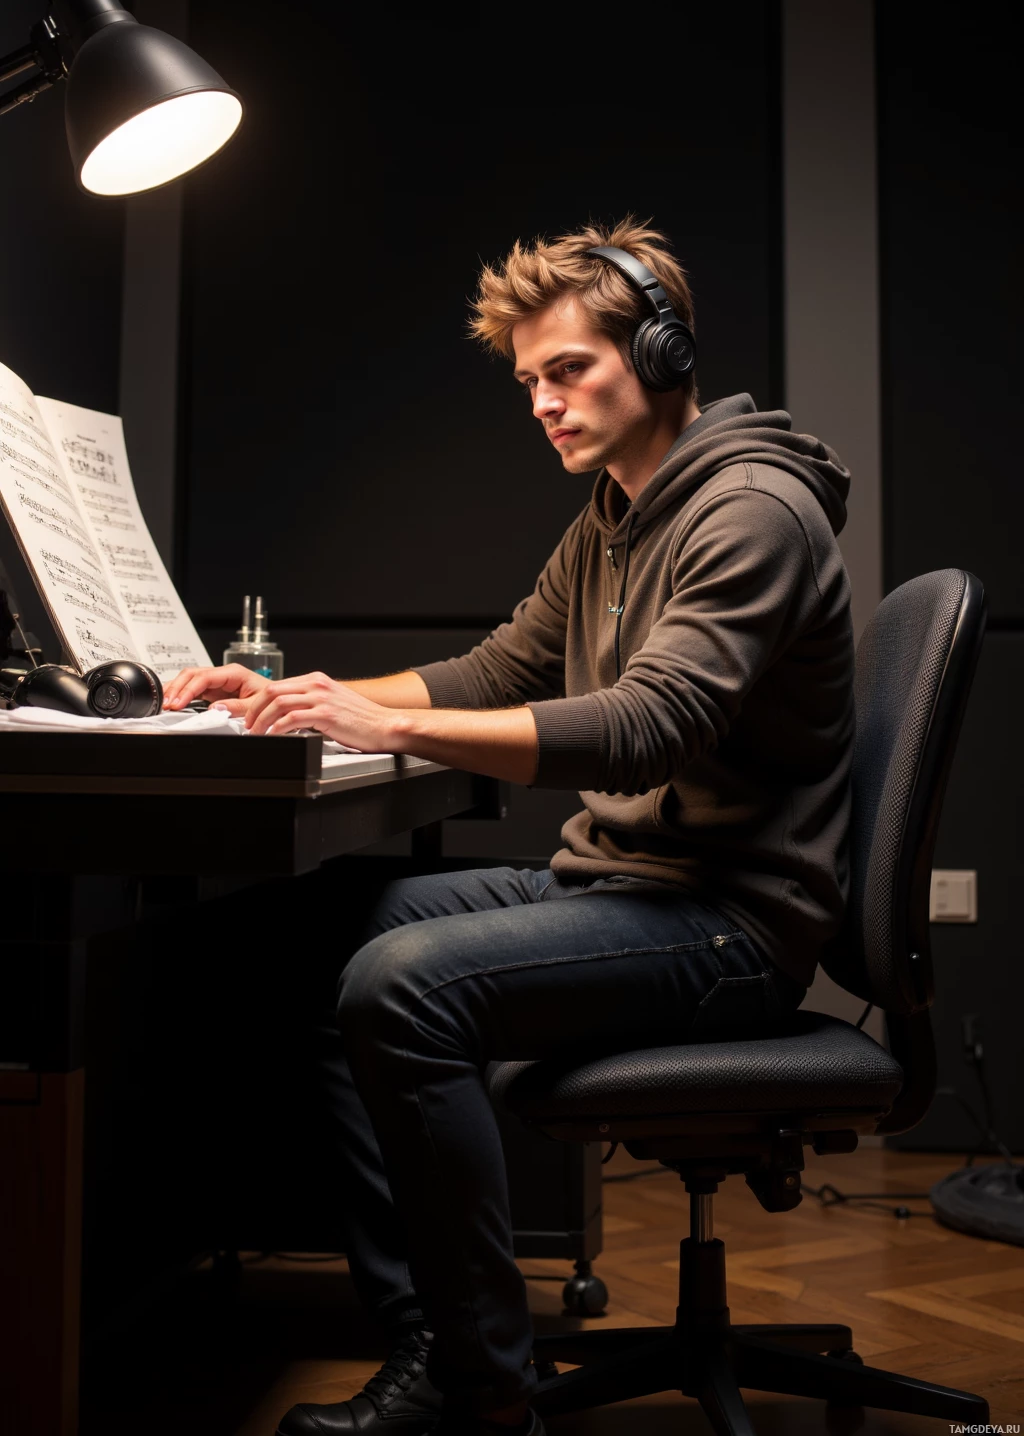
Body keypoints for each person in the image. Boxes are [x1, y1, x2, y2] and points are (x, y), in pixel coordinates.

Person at [163, 217, 855, 1436]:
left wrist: (389, 733)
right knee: (308, 932)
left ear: (660, 349)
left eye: (569, 369)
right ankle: (440, 1339)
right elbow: (495, 669)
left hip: (727, 923)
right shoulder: (611, 515)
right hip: (629, 892)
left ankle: (486, 1396)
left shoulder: (753, 511)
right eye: (528, 380)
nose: (541, 401)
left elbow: (649, 725)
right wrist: (292, 695)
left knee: (403, 985)